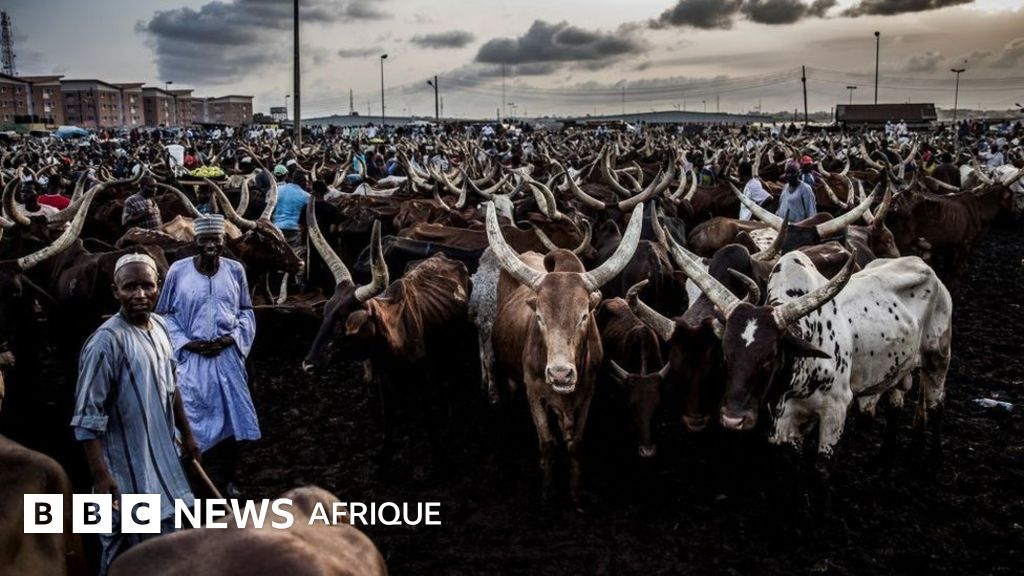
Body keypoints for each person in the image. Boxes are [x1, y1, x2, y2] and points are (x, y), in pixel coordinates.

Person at [71, 253, 198, 576]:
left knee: (165, 553)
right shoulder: (105, 343)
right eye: (130, 287)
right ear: (116, 291)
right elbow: (86, 418)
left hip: (165, 464)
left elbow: (172, 386)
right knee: (128, 559)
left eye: (147, 285)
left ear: (158, 287)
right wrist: (101, 476)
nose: (140, 294)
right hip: (125, 475)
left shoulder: (161, 327)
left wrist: (187, 435)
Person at [156, 215, 259, 498]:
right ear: (195, 242)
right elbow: (163, 314)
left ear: (224, 241)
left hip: (227, 359)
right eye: (205, 240)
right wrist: (186, 343)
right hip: (192, 361)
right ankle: (193, 479)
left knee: (230, 420)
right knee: (191, 418)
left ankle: (229, 478)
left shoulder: (235, 270)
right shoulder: (178, 271)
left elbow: (246, 311)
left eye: (217, 239)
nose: (211, 245)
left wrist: (232, 339)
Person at [271, 171, 311, 257]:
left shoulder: (278, 190)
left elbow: (270, 207)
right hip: (295, 230)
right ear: (302, 182)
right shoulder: (307, 196)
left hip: (277, 227)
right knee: (294, 256)